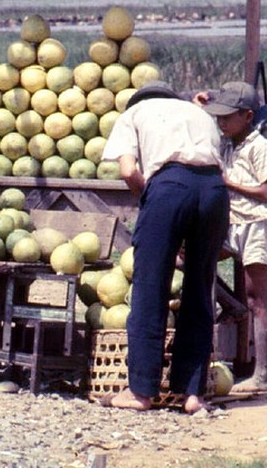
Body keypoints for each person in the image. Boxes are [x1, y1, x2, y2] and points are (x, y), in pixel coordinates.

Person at [101, 80, 229, 413]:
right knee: (200, 289)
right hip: (215, 191)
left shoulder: (133, 114)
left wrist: (155, 202)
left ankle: (141, 392)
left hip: (169, 185)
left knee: (150, 287)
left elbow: (129, 171)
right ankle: (191, 394)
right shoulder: (196, 112)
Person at [195, 80, 267, 393]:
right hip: (231, 225)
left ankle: (264, 374)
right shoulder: (229, 142)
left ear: (247, 116)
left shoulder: (260, 147)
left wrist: (229, 183)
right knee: (188, 260)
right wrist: (200, 102)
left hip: (255, 224)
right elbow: (205, 118)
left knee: (258, 300)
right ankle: (231, 305)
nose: (221, 122)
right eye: (219, 117)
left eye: (227, 117)